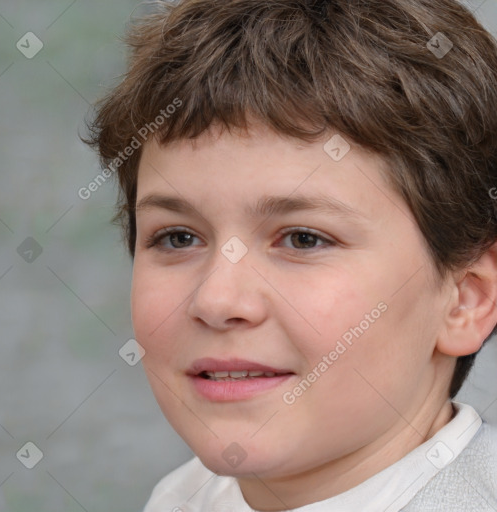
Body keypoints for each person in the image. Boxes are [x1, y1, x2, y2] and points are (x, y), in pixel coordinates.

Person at [84, 0, 497, 510]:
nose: (217, 299)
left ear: (465, 299)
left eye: (303, 238)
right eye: (178, 237)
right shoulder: (182, 497)